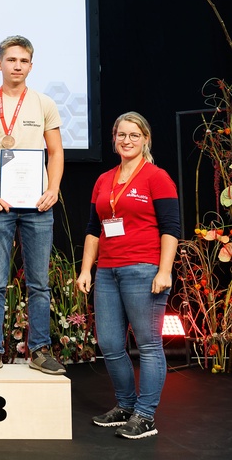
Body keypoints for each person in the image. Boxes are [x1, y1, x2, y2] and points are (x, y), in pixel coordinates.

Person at [0, 35, 66, 375]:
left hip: (38, 206)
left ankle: (39, 351)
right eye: (11, 60)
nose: (17, 66)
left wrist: (53, 189)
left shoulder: (44, 103)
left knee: (39, 283)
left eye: (23, 61)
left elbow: (56, 152)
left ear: (31, 66)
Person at [76, 112, 180, 439]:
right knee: (109, 343)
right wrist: (86, 269)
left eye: (134, 135)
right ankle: (125, 406)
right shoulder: (104, 180)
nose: (127, 140)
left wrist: (165, 271)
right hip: (108, 270)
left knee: (147, 345)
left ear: (146, 139)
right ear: (114, 139)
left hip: (144, 269)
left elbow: (171, 228)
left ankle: (145, 415)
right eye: (121, 135)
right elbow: (93, 229)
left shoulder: (157, 177)